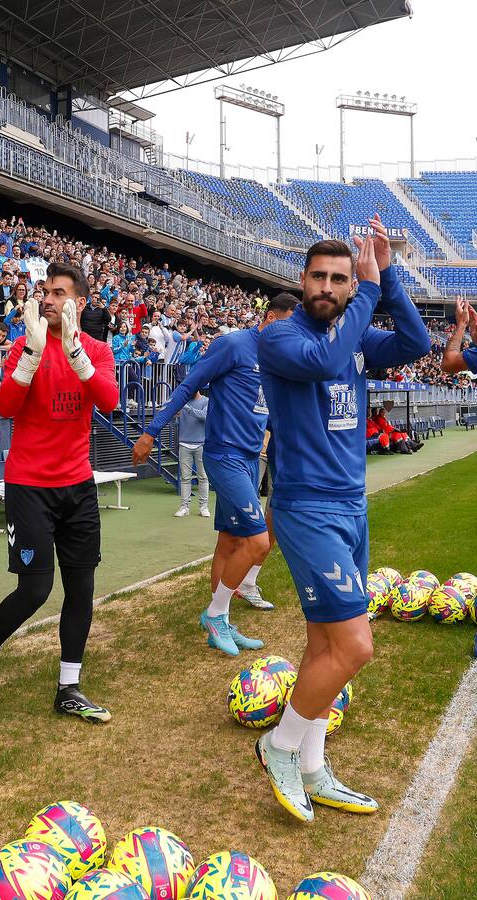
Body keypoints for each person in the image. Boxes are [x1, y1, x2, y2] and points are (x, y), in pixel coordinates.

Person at [255, 221, 430, 823]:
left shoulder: (352, 331)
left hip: (351, 505)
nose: (328, 287)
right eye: (319, 277)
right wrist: (366, 293)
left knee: (323, 644)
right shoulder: (282, 339)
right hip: (306, 508)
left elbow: (415, 343)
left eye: (340, 278)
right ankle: (279, 747)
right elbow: (328, 359)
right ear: (301, 282)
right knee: (355, 647)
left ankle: (312, 766)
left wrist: (390, 277)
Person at [0, 262, 119, 721]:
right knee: (35, 588)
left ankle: (68, 687)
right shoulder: (22, 345)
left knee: (81, 587)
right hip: (30, 484)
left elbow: (108, 400)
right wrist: (32, 354)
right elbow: (6, 406)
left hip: (77, 483)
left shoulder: (95, 349)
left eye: (58, 293)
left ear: (79, 303)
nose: (47, 299)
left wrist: (75, 352)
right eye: (44, 291)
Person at [132, 292, 298, 654]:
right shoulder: (233, 345)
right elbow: (187, 387)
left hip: (251, 459)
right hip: (224, 456)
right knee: (257, 541)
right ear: (268, 317)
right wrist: (150, 432)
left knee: (229, 542)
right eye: (286, 325)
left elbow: (268, 413)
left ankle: (219, 621)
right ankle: (216, 613)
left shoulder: (276, 362)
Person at [171, 391, 210, 517]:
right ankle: (184, 507)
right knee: (185, 478)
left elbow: (204, 416)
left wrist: (186, 408)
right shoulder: (183, 402)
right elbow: (175, 424)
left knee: (203, 477)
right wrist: (174, 416)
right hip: (184, 444)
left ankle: (203, 507)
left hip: (201, 444)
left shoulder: (206, 401)